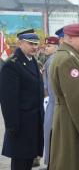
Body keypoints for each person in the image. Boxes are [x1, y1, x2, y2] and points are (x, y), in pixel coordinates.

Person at [49, 24, 79, 170]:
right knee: (72, 162)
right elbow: (77, 100)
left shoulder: (70, 56)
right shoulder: (69, 60)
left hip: (69, 119)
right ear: (68, 38)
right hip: (73, 122)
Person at [0, 29, 44, 170]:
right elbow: (8, 99)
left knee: (28, 161)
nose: (34, 47)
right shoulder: (12, 64)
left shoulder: (32, 61)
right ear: (20, 43)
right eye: (30, 43)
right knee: (20, 163)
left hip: (33, 122)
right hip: (20, 124)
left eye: (36, 44)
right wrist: (12, 126)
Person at [42, 36, 60, 167]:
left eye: (49, 46)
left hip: (54, 103)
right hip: (51, 102)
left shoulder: (53, 60)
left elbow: (49, 87)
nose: (46, 48)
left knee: (51, 135)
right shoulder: (50, 60)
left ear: (56, 47)